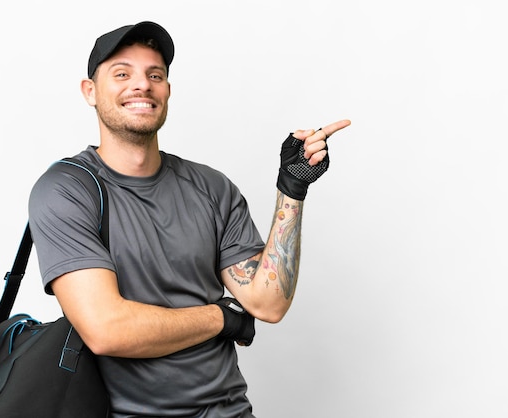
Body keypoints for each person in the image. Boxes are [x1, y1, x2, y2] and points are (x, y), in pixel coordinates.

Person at [28, 20, 350, 417]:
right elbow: (106, 330)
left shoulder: (211, 187)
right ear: (90, 91)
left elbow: (267, 304)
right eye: (122, 73)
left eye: (155, 75)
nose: (141, 85)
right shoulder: (66, 190)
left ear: (167, 90)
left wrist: (292, 189)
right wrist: (221, 318)